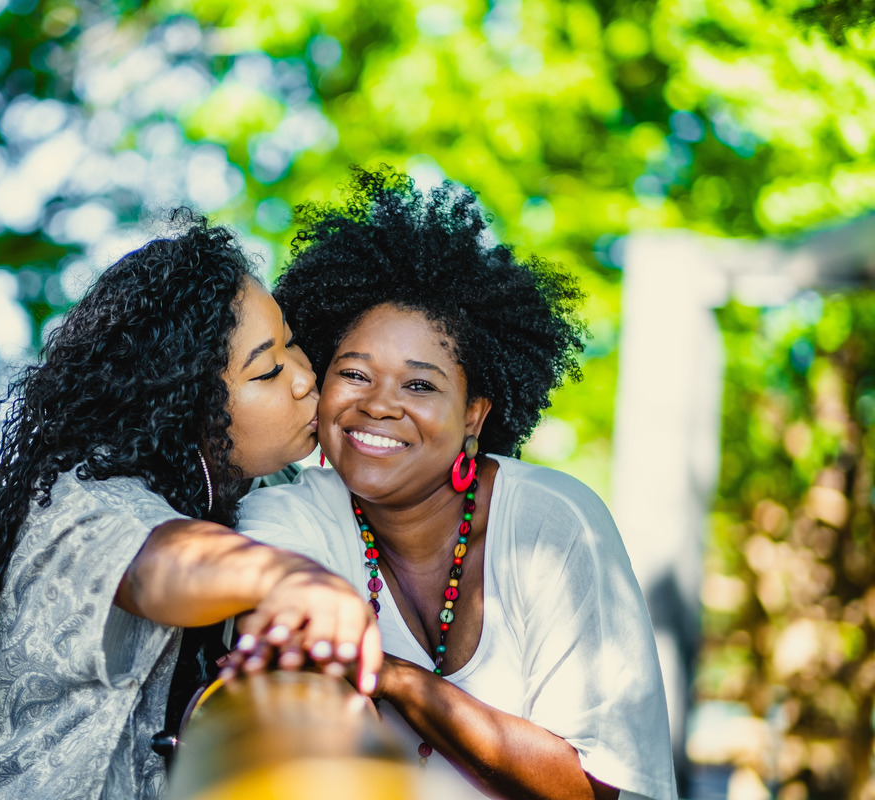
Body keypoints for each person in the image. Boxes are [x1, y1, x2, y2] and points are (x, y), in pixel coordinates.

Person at [0, 212, 381, 800]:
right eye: (268, 370)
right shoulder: (79, 504)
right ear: (186, 412)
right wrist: (288, 579)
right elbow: (158, 564)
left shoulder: (260, 493)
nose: (304, 379)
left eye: (293, 343)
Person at [237, 169, 678, 800]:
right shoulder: (283, 519)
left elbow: (586, 790)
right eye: (355, 374)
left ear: (474, 417)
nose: (380, 405)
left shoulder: (553, 526)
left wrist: (395, 679)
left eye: (420, 385)